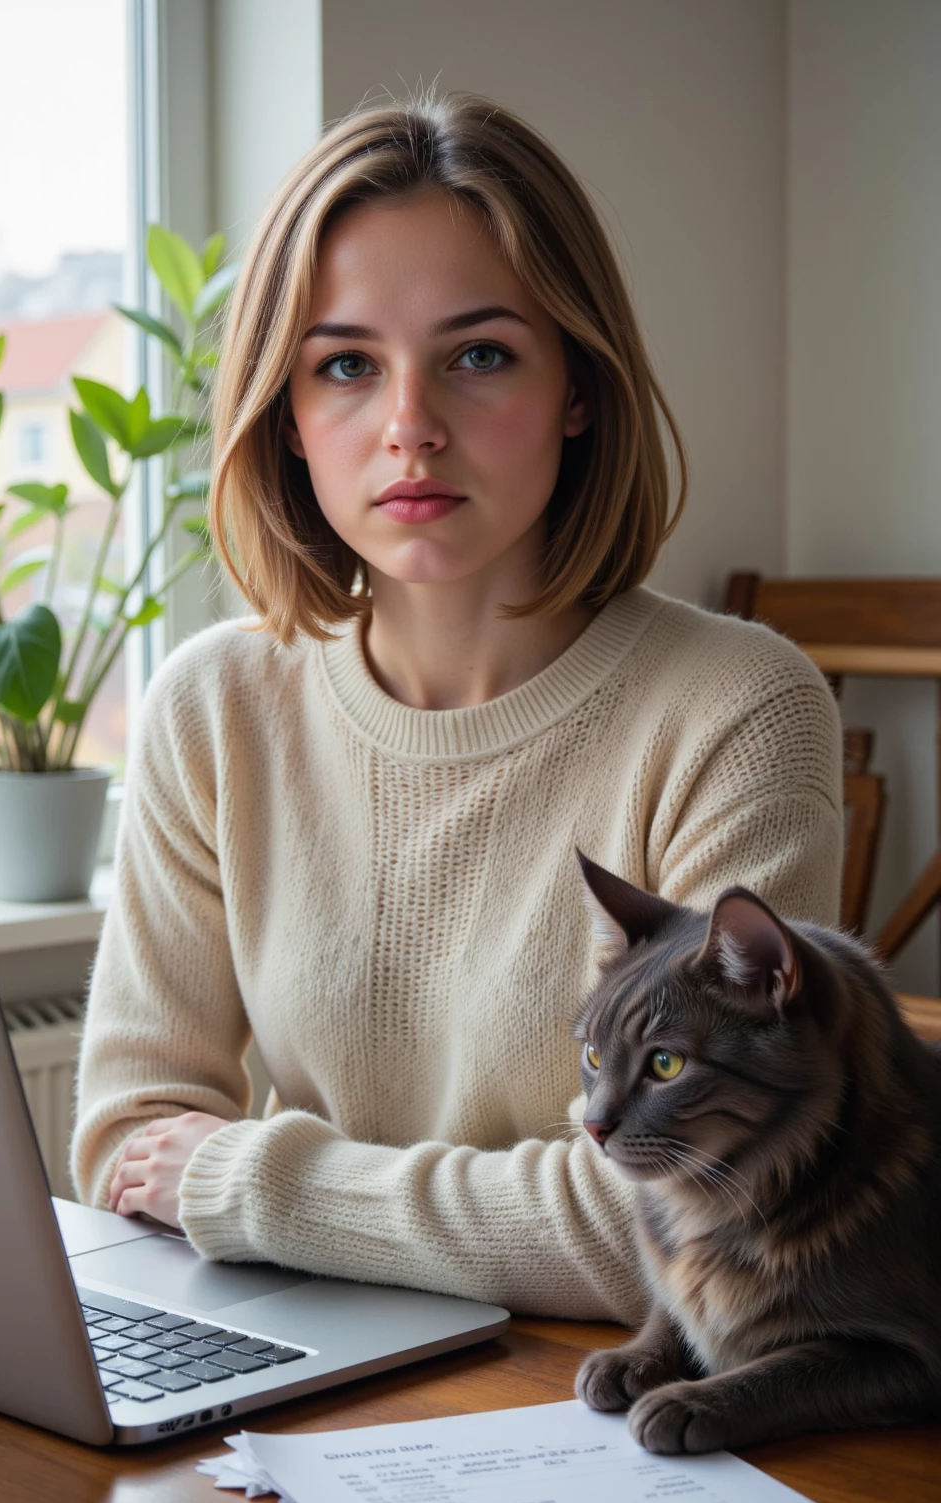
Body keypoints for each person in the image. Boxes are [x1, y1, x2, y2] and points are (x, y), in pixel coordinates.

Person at [72, 89, 842, 1324]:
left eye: (478, 355)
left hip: (598, 1427)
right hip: (290, 1372)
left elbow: (708, 1213)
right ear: (287, 418)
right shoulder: (211, 707)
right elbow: (129, 1140)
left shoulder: (737, 710)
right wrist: (280, 1194)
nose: (410, 428)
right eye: (344, 367)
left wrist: (266, 1186)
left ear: (578, 387)